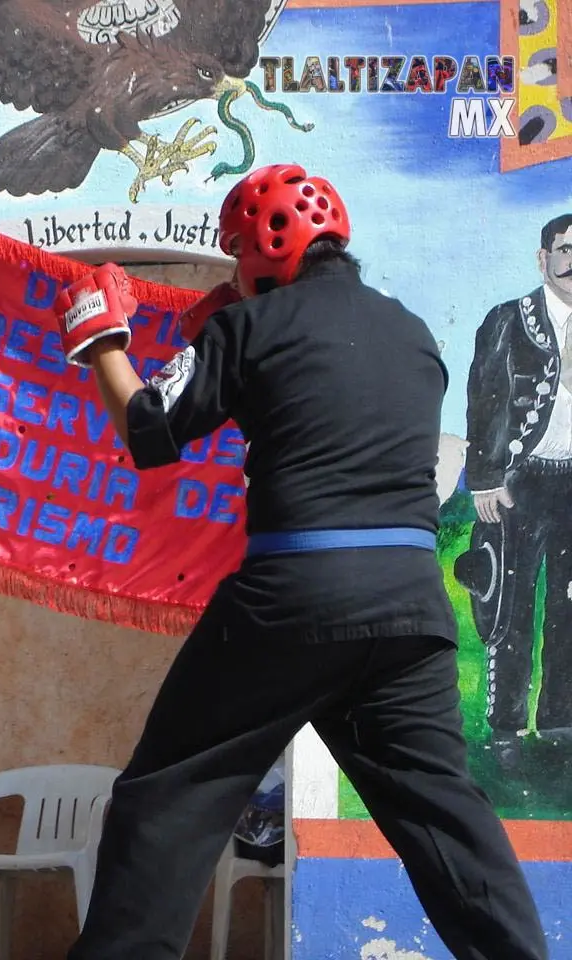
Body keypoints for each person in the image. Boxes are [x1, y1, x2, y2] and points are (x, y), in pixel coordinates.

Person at [51, 163, 548, 960]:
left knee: (165, 797)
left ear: (255, 259)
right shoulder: (414, 334)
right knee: (444, 815)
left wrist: (102, 338)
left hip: (294, 601)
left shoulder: (250, 328)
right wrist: (232, 341)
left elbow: (151, 431)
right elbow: (326, 400)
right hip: (410, 608)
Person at [457, 213, 572, 761]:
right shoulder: (508, 320)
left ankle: (559, 725)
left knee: (570, 608)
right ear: (543, 257)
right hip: (519, 482)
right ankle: (505, 728)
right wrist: (482, 478)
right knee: (510, 604)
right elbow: (483, 402)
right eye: (565, 250)